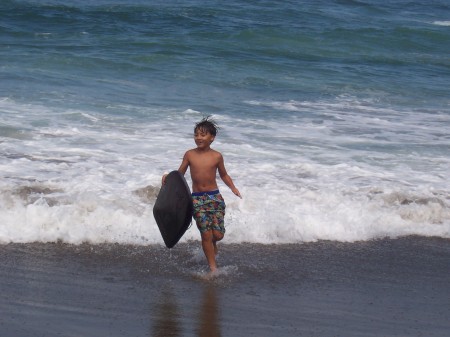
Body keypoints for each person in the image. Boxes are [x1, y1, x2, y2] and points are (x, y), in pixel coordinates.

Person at [162, 117, 241, 274]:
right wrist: (168, 177)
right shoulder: (190, 155)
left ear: (212, 138)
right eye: (196, 134)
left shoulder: (217, 156)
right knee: (205, 234)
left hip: (215, 198)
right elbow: (180, 174)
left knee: (217, 235)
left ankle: (214, 243)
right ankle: (213, 269)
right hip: (197, 199)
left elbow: (224, 175)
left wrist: (233, 187)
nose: (198, 138)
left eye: (203, 135)